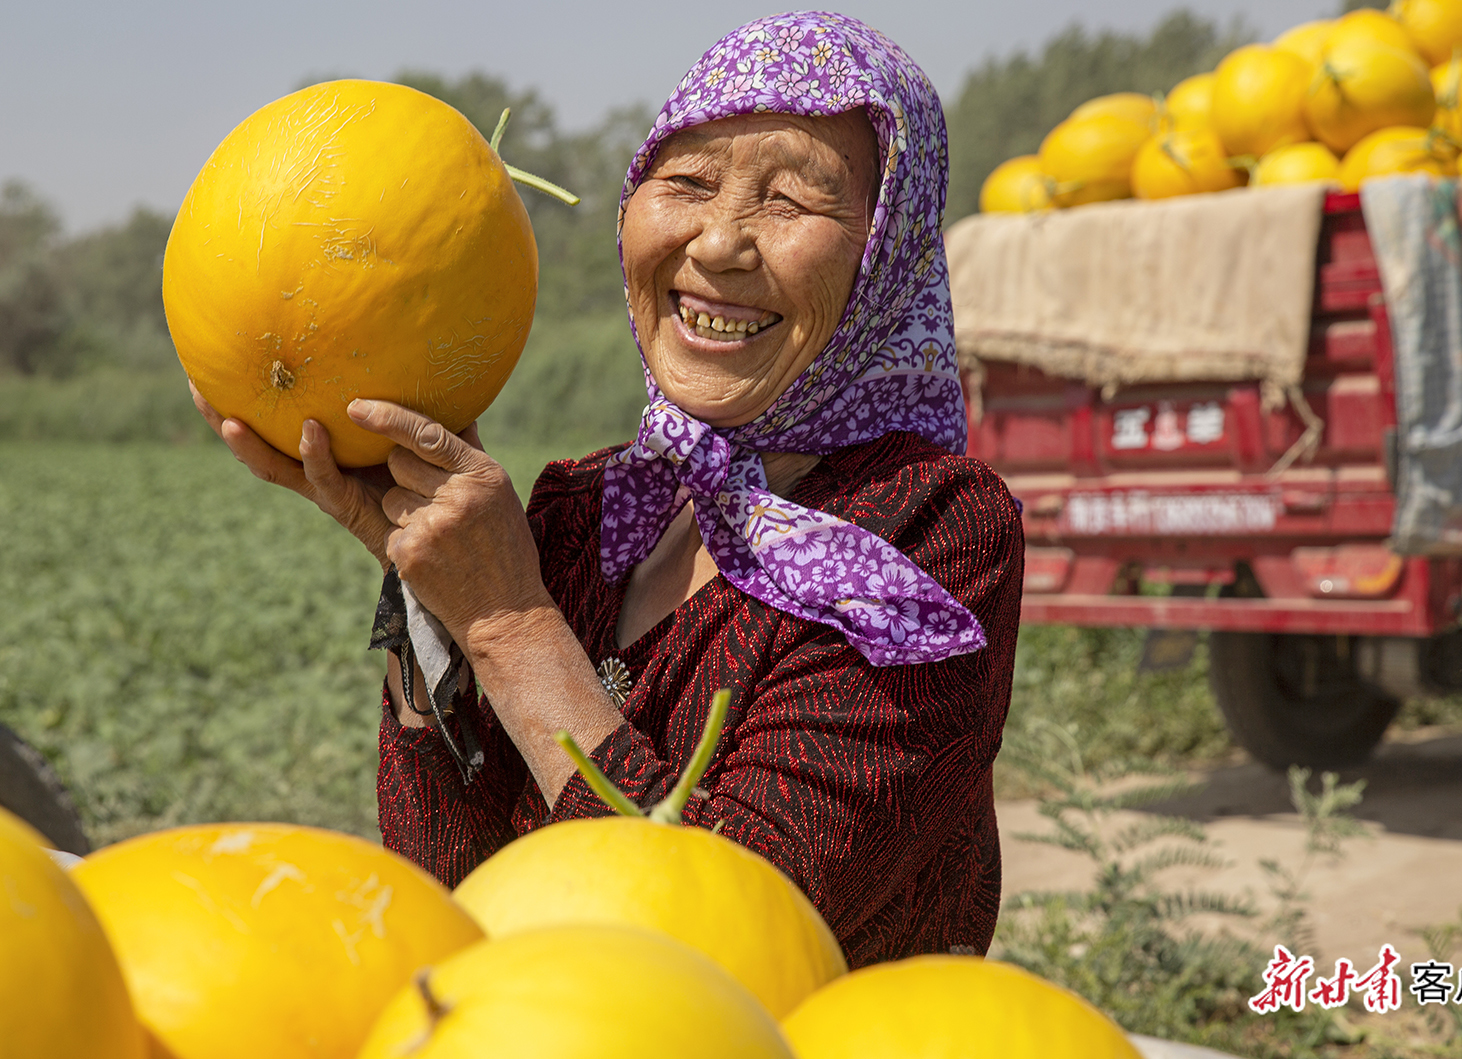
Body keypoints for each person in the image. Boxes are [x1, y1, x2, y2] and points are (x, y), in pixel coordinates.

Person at [193, 11, 1023, 967]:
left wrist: (509, 624)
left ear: (889, 252)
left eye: (791, 200)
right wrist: (425, 578)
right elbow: (450, 892)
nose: (718, 244)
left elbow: (731, 944)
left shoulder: (930, 533)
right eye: (687, 183)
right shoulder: (581, 510)